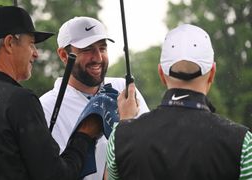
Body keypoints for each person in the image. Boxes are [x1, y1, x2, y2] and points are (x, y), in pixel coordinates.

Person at [0, 6, 104, 180]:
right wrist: (85, 134)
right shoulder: (20, 102)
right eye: (31, 43)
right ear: (10, 43)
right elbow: (56, 176)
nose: (36, 53)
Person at [107, 24, 252, 180]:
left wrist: (126, 123)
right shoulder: (243, 143)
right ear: (212, 73)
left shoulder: (119, 138)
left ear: (161, 73)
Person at [39, 16, 150, 179]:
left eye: (102, 48)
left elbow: (147, 148)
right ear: (64, 55)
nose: (98, 57)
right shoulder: (46, 107)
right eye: (87, 49)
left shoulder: (124, 89)